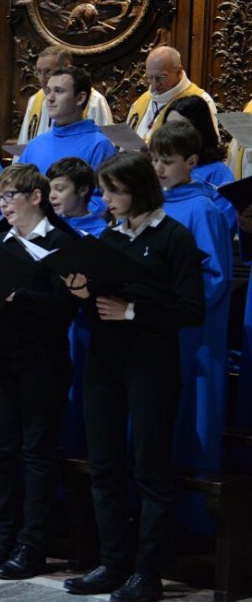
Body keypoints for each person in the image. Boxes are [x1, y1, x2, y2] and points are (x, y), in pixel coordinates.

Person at [62, 152, 204, 602]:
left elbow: (191, 309)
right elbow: (96, 307)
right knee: (104, 467)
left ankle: (148, 572)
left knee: (150, 470)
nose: (104, 200)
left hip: (151, 365)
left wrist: (134, 310)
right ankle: (112, 561)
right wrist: (83, 294)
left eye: (112, 191)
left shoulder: (174, 237)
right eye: (103, 191)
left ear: (137, 189)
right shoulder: (108, 237)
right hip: (104, 362)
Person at [0, 165, 77, 581]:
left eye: (10, 197)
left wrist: (16, 295)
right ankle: (1, 539)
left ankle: (32, 546)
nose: (3, 205)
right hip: (2, 359)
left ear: (36, 197)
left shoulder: (61, 242)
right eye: (0, 198)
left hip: (43, 360)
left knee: (37, 456)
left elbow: (66, 307)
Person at [148, 121, 231, 474]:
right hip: (154, 327)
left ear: (192, 161)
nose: (158, 169)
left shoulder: (203, 209)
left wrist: (172, 305)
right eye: (153, 160)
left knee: (190, 412)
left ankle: (192, 517)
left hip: (190, 333)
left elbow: (215, 277)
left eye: (167, 161)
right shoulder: (152, 206)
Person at [19, 66, 116, 175]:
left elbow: (104, 191)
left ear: (80, 98)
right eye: (48, 91)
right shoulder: (35, 145)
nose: (50, 98)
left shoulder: (99, 145)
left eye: (59, 91)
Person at [165, 95, 236, 232]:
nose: (170, 134)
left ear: (199, 131)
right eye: (167, 126)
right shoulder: (160, 168)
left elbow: (222, 228)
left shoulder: (218, 174)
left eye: (180, 128)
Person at [17, 46, 112, 144]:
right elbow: (23, 144)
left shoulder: (95, 101)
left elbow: (105, 145)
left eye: (48, 71)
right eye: (39, 72)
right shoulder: (35, 100)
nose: (42, 78)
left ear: (67, 69)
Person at [125, 45, 216, 139]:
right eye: (150, 77)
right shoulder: (142, 101)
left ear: (179, 72)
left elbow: (206, 144)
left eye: (160, 77)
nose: (155, 84)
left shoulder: (200, 101)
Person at [46, 157, 106, 236]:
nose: (51, 196)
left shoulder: (100, 232)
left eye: (59, 189)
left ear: (83, 190)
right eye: (49, 189)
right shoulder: (46, 222)